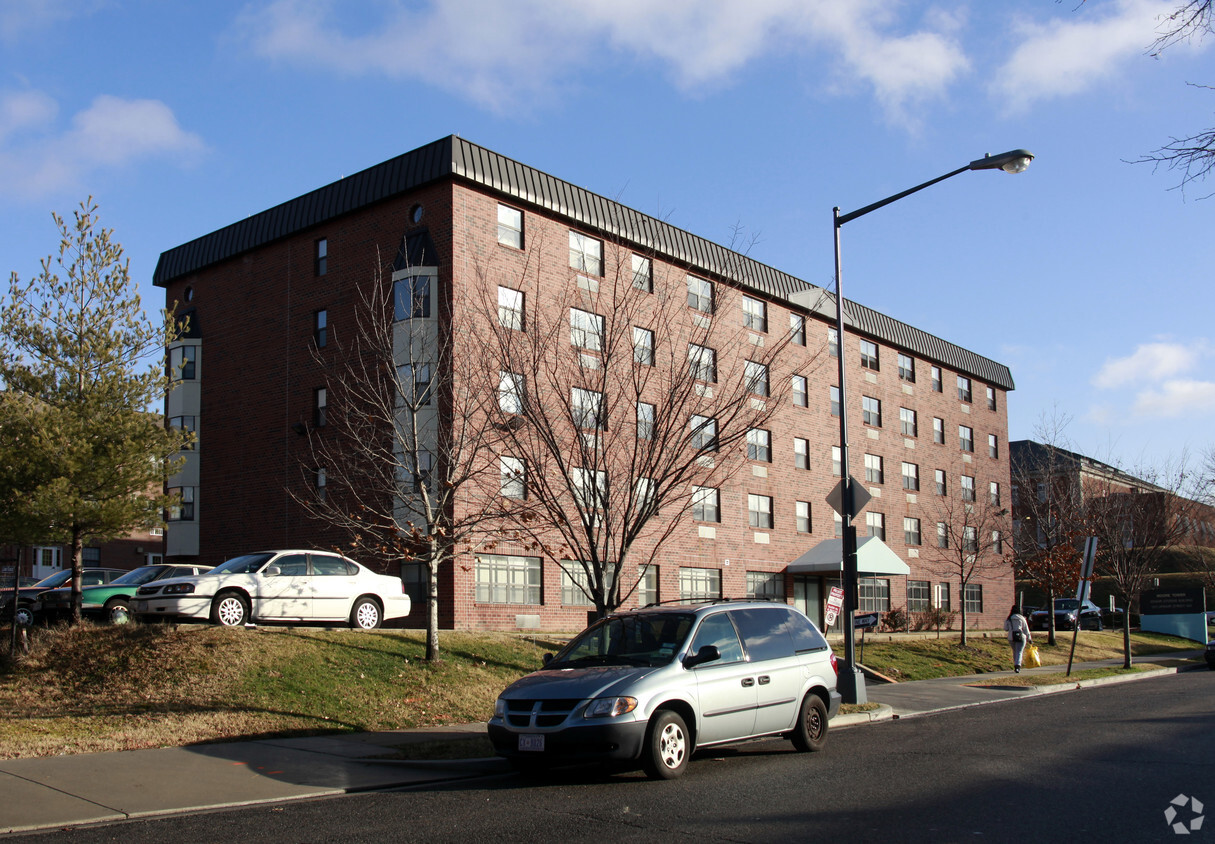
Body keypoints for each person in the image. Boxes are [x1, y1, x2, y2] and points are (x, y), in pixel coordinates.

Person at [1003, 604, 1032, 673]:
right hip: (1021, 637)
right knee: (1019, 651)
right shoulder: (1022, 618)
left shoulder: (1009, 619)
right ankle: (1017, 666)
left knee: (1015, 651)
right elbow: (1026, 629)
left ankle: (1015, 664)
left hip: (1011, 637)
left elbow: (1005, 628)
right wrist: (1029, 638)